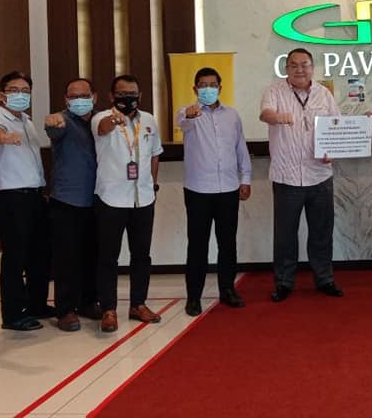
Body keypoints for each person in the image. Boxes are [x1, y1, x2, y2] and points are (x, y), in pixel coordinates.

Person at [259, 48, 343, 302]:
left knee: (321, 232)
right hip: (287, 177)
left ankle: (325, 279)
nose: (299, 69)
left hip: (320, 175)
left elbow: (336, 126)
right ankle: (284, 282)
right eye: (294, 65)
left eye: (304, 65)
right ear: (286, 68)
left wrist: (332, 151)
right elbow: (265, 114)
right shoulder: (274, 92)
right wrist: (277, 117)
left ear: (312, 68)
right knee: (285, 235)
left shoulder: (323, 94)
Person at [177, 67, 252, 315]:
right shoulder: (187, 113)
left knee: (227, 243)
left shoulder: (232, 115)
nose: (207, 89)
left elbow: (240, 147)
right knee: (197, 245)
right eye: (202, 85)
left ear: (220, 88)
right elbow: (183, 124)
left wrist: (246, 178)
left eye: (212, 85)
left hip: (228, 188)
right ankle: (194, 297)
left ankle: (227, 290)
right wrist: (190, 115)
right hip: (198, 190)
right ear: (195, 89)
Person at [92, 74, 164, 332]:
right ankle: (108, 309)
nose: (128, 98)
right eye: (122, 94)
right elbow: (103, 129)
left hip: (142, 199)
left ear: (140, 96)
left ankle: (138, 304)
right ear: (112, 96)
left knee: (141, 256)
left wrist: (152, 185)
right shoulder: (101, 118)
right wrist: (115, 119)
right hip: (111, 199)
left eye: (132, 94)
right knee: (108, 257)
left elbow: (155, 154)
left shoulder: (149, 120)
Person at [0, 71, 52, 331]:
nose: (20, 95)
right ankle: (13, 314)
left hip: (34, 196)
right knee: (15, 256)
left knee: (39, 254)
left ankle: (37, 304)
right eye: (14, 90)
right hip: (11, 198)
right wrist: (5, 137)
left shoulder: (27, 121)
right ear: (2, 95)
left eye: (25, 91)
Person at [45, 78, 101, 331]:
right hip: (66, 200)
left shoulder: (102, 121)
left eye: (84, 95)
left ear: (94, 97)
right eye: (73, 96)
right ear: (66, 100)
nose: (79, 100)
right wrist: (51, 121)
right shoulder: (62, 120)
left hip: (98, 199)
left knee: (93, 255)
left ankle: (88, 302)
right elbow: (52, 127)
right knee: (66, 258)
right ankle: (65, 310)